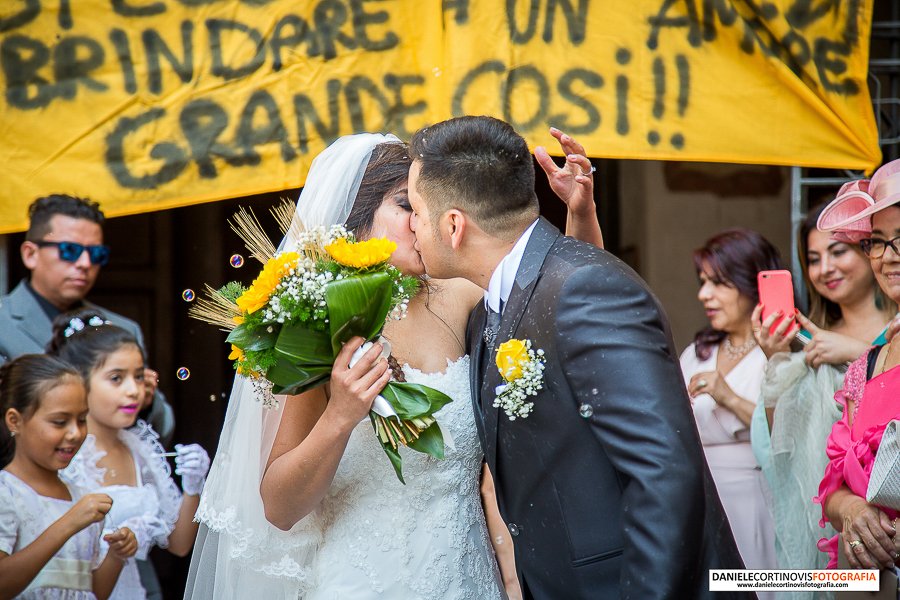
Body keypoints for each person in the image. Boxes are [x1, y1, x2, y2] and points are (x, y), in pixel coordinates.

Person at [184, 128, 602, 599]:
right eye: (407, 206)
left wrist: (579, 213)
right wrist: (340, 416)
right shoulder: (318, 322)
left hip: (466, 576)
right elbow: (279, 507)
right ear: (356, 220)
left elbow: (565, 315)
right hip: (360, 581)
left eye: (424, 209)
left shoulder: (462, 296)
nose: (421, 223)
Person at [406, 115, 746, 599]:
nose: (410, 225)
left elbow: (663, 474)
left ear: (453, 225)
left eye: (415, 210)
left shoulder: (586, 288)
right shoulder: (491, 311)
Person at [749, 201, 895, 580]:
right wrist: (777, 362)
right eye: (813, 258)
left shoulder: (892, 338)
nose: (825, 268)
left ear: (868, 248)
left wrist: (859, 355)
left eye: (838, 251)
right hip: (831, 526)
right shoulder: (805, 346)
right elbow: (781, 450)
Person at [47, 309, 210, 599]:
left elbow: (179, 543)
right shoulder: (65, 456)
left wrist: (193, 488)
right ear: (78, 383)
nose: (134, 391)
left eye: (138, 376)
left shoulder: (140, 448)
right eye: (116, 378)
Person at [0, 194, 174, 450]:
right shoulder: (4, 323)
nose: (85, 264)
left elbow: (164, 430)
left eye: (96, 254)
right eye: (70, 251)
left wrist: (145, 403)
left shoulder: (122, 329)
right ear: (30, 254)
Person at [679, 229, 780, 586]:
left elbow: (788, 436)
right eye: (703, 282)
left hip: (754, 499)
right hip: (700, 497)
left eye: (719, 283)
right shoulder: (696, 353)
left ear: (752, 284)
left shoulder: (780, 352)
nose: (704, 294)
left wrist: (729, 396)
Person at [813, 158, 900, 570]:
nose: (888, 257)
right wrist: (851, 510)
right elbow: (834, 479)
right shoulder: (865, 365)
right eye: (878, 241)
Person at [0, 353, 138, 599]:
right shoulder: (6, 492)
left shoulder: (80, 496)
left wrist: (117, 556)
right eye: (60, 421)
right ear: (15, 421)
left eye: (82, 420)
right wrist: (69, 522)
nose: (75, 433)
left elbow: (92, 591)